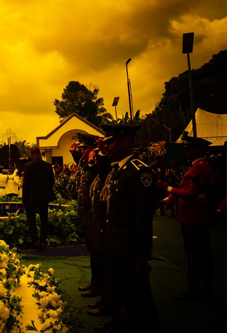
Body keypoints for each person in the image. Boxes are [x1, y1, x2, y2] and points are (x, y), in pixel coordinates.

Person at [97, 124, 158, 333]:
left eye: (110, 142)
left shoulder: (139, 172)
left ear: (125, 142)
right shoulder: (118, 170)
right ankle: (117, 323)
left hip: (127, 249)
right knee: (117, 291)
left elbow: (143, 219)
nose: (106, 147)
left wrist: (142, 258)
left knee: (135, 298)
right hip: (113, 244)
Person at [157, 132, 214, 302]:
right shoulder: (194, 167)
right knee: (194, 254)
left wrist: (167, 188)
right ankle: (198, 288)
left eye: (189, 148)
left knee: (196, 256)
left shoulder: (200, 167)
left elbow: (190, 193)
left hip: (194, 217)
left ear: (198, 150)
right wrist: (166, 200)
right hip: (190, 217)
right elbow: (184, 190)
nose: (185, 151)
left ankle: (197, 289)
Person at [87, 138, 112, 320]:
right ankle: (103, 298)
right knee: (98, 260)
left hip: (109, 227)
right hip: (97, 221)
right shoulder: (102, 170)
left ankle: (108, 304)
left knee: (109, 271)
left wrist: (101, 153)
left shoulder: (122, 171)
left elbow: (102, 172)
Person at [75, 133, 100, 297]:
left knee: (98, 253)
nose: (82, 150)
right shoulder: (85, 162)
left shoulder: (97, 163)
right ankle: (95, 282)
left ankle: (98, 285)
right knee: (93, 251)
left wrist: (93, 160)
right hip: (85, 213)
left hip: (93, 214)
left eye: (84, 147)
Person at [22, 146, 56, 250]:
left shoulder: (28, 166)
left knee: (31, 220)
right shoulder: (48, 166)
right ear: (40, 154)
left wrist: (24, 199)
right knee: (44, 220)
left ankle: (35, 241)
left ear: (32, 155)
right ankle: (43, 241)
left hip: (31, 198)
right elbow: (52, 181)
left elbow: (26, 184)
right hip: (44, 197)